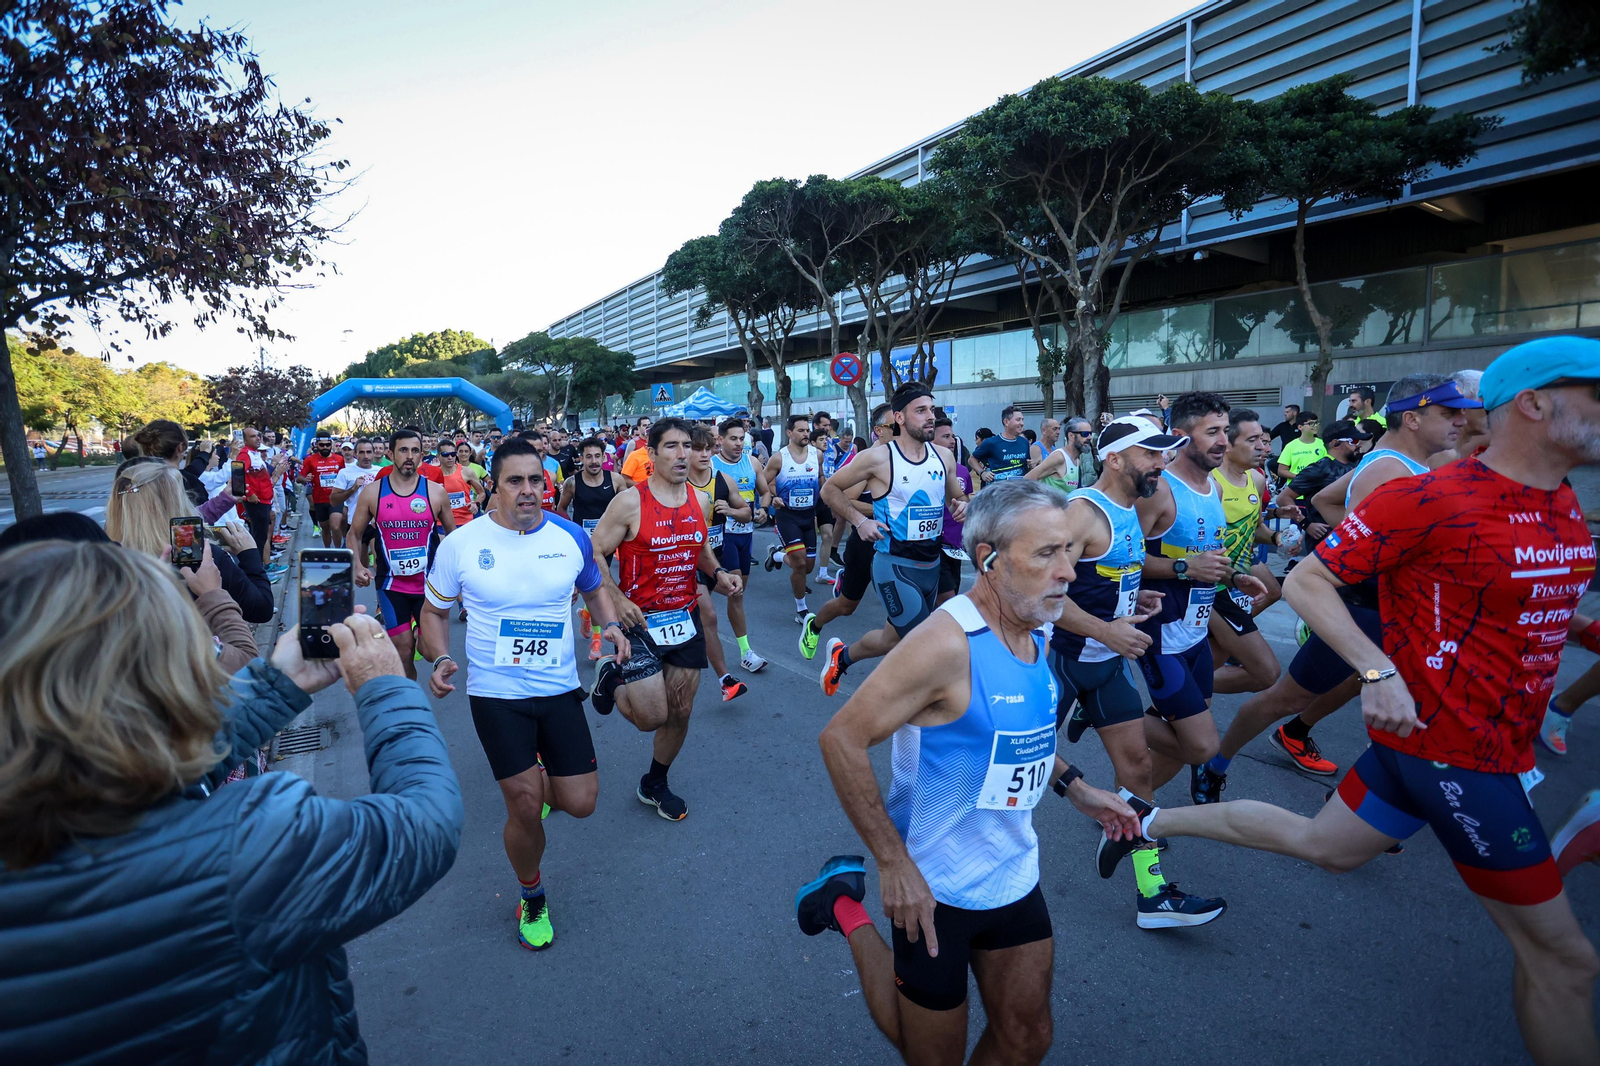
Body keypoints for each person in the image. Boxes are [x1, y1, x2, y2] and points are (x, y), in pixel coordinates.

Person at [1100, 336, 1600, 1066]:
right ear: (1533, 403)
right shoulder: (1431, 495)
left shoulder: (1559, 505)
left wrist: (1577, 626)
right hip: (1457, 752)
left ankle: (1145, 817)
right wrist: (1376, 671)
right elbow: (1309, 580)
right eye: (1594, 395)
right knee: (1566, 962)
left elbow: (1519, 604)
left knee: (1323, 846)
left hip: (1472, 740)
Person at [0, 542, 463, 1064]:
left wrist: (275, 686)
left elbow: (151, 766)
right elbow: (427, 822)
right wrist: (384, 686)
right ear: (157, 677)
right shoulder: (246, 845)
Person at [795, 480, 1140, 1066]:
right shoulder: (944, 645)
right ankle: (843, 907)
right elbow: (842, 739)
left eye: (1069, 553)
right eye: (1045, 554)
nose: (1067, 573)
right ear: (989, 560)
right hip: (934, 882)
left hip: (1011, 868)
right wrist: (892, 863)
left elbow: (1011, 736)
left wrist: (1076, 787)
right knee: (930, 1056)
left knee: (1028, 1038)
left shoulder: (1037, 622)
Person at [1196, 373, 1477, 797]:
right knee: (1284, 695)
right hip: (1363, 610)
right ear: (1414, 419)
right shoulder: (1388, 471)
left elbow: (1328, 500)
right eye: (1448, 412)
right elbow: (1323, 551)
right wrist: (1340, 549)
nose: (1459, 421)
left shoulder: (1423, 462)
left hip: (1404, 612)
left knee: (1393, 701)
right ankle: (1216, 762)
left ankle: (1369, 803)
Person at [420, 438, 629, 951]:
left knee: (581, 802)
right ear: (494, 485)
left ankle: (539, 783)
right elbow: (432, 613)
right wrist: (442, 657)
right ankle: (531, 892)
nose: (528, 490)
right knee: (523, 802)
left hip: (558, 688)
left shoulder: (570, 536)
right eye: (515, 480)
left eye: (536, 480)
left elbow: (593, 588)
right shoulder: (462, 545)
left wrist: (609, 625)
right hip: (496, 693)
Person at [1048, 416, 1228, 927]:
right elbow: (1036, 594)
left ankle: (1153, 894)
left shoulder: (1130, 510)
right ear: (1115, 458)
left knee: (1139, 771)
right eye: (1151, 454)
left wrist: (1134, 596)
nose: (1162, 463)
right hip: (1058, 665)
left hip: (1105, 670)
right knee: (1010, 768)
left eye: (1165, 453)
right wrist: (1105, 630)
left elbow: (1110, 576)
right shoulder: (1081, 513)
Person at [587, 418, 742, 821]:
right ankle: (611, 676)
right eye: (671, 446)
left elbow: (701, 547)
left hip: (684, 615)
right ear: (650, 454)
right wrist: (616, 599)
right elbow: (595, 551)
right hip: (639, 621)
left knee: (681, 710)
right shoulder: (630, 502)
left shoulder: (699, 499)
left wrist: (718, 574)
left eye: (686, 446)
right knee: (651, 718)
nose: (681, 454)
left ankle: (654, 782)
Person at [814, 383, 970, 695]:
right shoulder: (878, 458)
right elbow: (829, 489)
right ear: (899, 417)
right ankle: (909, 719)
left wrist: (965, 505)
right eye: (921, 411)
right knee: (925, 645)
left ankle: (841, 657)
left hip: (931, 565)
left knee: (891, 640)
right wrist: (859, 521)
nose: (930, 417)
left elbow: (959, 497)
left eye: (931, 410)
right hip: (894, 567)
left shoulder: (944, 457)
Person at [105, 460, 276, 625]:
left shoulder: (102, 559)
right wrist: (250, 554)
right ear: (177, 501)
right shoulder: (197, 556)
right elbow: (262, 609)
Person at [347, 429, 455, 677]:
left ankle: (420, 629)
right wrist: (357, 565)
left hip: (430, 585)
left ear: (422, 455)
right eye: (403, 450)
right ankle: (410, 700)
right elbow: (354, 533)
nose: (409, 456)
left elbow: (454, 537)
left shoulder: (436, 492)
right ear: (390, 454)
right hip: (390, 585)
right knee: (403, 651)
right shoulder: (373, 492)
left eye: (415, 451)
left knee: (431, 652)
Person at [1208, 409, 1299, 696]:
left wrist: (1277, 537)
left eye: (1262, 439)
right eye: (1253, 440)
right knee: (1266, 671)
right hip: (1210, 589)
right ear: (1228, 444)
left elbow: (1255, 526)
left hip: (1238, 585)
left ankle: (1175, 706)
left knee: (1210, 665)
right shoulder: (1208, 483)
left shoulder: (1257, 480)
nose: (1263, 447)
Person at [803, 405, 896, 660]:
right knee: (846, 606)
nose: (901, 430)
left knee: (899, 615)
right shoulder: (871, 459)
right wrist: (886, 511)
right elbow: (847, 499)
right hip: (867, 541)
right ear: (878, 431)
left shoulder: (908, 457)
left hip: (897, 546)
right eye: (894, 426)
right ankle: (814, 625)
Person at [687, 423, 753, 701]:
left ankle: (746, 650)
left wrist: (732, 511)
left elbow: (748, 512)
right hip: (692, 560)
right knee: (709, 616)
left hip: (719, 551)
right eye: (697, 449)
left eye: (708, 449)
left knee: (736, 593)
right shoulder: (680, 484)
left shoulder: (724, 480)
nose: (704, 455)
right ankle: (726, 679)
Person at [710, 418, 771, 673]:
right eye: (733, 438)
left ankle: (697, 587)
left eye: (741, 439)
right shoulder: (711, 466)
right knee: (736, 592)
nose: (738, 443)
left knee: (737, 593)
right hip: (722, 537)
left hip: (746, 534)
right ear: (720, 440)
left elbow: (765, 492)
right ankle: (746, 652)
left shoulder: (752, 462)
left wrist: (765, 508)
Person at [762, 414, 824, 623]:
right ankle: (801, 610)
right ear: (789, 433)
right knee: (798, 564)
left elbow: (821, 477)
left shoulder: (817, 455)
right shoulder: (780, 458)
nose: (806, 433)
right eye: (801, 430)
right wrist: (772, 497)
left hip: (809, 515)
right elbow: (763, 482)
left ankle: (777, 556)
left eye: (807, 430)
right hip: (788, 516)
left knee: (807, 566)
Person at [1279, 419, 1370, 551]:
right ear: (1335, 443)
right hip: (1325, 544)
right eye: (1353, 441)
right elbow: (1283, 497)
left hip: (1351, 538)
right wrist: (1306, 524)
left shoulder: (1356, 465)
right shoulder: (1319, 468)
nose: (1358, 445)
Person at [931, 417, 971, 606]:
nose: (952, 441)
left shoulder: (962, 470)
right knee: (949, 603)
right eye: (946, 436)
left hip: (955, 547)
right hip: (933, 546)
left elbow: (965, 501)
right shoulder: (923, 469)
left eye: (953, 436)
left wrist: (966, 507)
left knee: (949, 597)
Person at [237, 426, 286, 569]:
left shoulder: (254, 454)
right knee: (258, 538)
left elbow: (260, 476)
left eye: (258, 435)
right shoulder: (245, 454)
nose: (258, 438)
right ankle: (255, 571)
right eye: (253, 436)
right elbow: (237, 474)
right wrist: (248, 494)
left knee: (261, 536)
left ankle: (257, 570)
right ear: (245, 440)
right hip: (256, 501)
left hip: (263, 500)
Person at [299, 433, 347, 547]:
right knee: (325, 528)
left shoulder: (339, 459)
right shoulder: (310, 460)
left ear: (331, 444)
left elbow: (345, 476)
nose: (325, 447)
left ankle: (338, 551)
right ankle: (328, 550)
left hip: (335, 498)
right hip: (319, 500)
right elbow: (298, 478)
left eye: (327, 445)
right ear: (317, 445)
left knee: (335, 526)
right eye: (322, 445)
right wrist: (305, 479)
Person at [1026, 416, 1095, 493]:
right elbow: (1027, 479)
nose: (1089, 437)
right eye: (1085, 434)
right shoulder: (1059, 457)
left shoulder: (1077, 461)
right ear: (1071, 436)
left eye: (1090, 433)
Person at [969, 405, 1031, 484]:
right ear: (1006, 422)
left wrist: (1031, 466)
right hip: (999, 492)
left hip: (1019, 490)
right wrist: (982, 473)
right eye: (1018, 420)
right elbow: (972, 459)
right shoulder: (991, 442)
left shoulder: (1024, 442)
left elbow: (1027, 466)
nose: (1022, 423)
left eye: (1022, 420)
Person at [1274, 411, 1326, 481]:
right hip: (1296, 487)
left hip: (1318, 486)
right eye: (1311, 423)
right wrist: (1299, 477)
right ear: (1300, 427)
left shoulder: (1323, 444)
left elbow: (1328, 466)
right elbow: (1281, 470)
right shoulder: (1291, 446)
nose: (1315, 426)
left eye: (1316, 423)